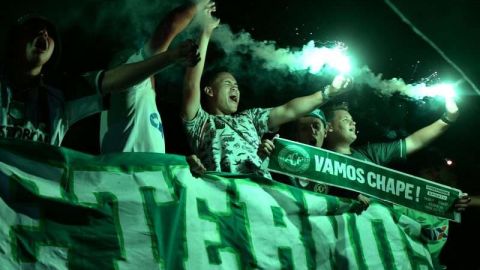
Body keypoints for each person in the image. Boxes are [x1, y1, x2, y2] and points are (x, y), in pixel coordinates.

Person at [181, 3, 352, 178]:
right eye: (228, 84)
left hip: (263, 195)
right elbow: (191, 84)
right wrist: (206, 32)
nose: (235, 88)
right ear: (209, 91)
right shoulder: (200, 122)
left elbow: (289, 110)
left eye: (237, 87)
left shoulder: (250, 118)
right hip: (225, 196)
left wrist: (328, 92)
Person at [0, 14, 198, 146]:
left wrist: (171, 57)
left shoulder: (61, 94)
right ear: (15, 41)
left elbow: (112, 80)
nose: (43, 33)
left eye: (49, 33)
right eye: (34, 28)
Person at [100, 1, 208, 154]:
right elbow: (168, 28)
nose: (150, 64)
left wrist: (206, 31)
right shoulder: (133, 86)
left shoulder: (140, 104)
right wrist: (198, 4)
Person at [322, 101, 462, 204]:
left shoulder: (369, 153)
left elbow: (414, 142)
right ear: (329, 127)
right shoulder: (319, 162)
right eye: (346, 120)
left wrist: (447, 119)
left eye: (353, 120)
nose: (353, 123)